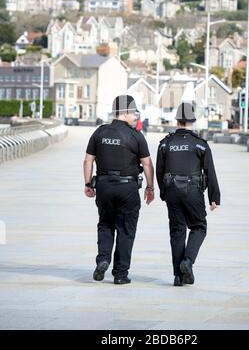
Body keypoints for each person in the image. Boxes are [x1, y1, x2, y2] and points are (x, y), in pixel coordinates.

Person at [83, 95, 155, 285]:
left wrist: (88, 184)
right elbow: (147, 164)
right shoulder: (136, 136)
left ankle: (103, 259)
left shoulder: (99, 133)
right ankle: (120, 274)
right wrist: (150, 187)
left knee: (105, 224)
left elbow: (88, 160)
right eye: (133, 113)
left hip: (104, 186)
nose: (135, 117)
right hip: (128, 188)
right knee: (126, 230)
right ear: (123, 113)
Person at [156, 102, 221, 286]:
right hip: (193, 191)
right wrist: (214, 197)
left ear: (177, 120)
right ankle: (188, 261)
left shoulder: (165, 144)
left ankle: (178, 276)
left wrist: (163, 192)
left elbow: (159, 171)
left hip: (172, 192)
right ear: (193, 121)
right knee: (199, 227)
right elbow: (210, 171)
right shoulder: (200, 145)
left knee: (177, 231)